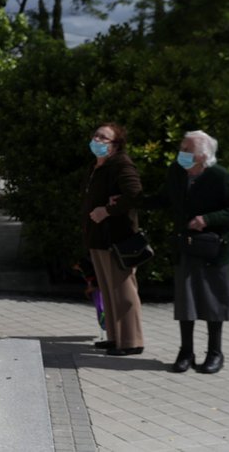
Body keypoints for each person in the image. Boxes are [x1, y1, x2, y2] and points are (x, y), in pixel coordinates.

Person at [143, 130, 229, 374]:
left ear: (202, 155)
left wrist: (208, 219)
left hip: (215, 249)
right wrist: (131, 201)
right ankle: (185, 352)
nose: (181, 152)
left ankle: (215, 353)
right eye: (182, 147)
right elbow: (163, 199)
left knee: (214, 303)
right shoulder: (176, 172)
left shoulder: (219, 176)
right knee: (185, 302)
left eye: (187, 149)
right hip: (186, 246)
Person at [82, 123, 145, 356]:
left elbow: (134, 195)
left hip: (117, 238)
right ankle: (115, 336)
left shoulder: (122, 164)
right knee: (108, 290)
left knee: (123, 290)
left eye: (103, 138)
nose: (97, 140)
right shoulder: (98, 166)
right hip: (99, 238)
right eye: (95, 135)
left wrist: (107, 210)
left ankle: (132, 341)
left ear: (115, 145)